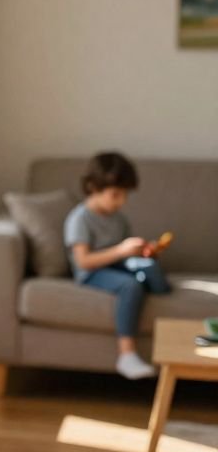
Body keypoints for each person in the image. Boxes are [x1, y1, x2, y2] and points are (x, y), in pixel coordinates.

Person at [64, 151, 172, 380]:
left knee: (150, 270)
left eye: (125, 195)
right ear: (93, 187)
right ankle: (127, 354)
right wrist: (121, 250)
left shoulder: (118, 219)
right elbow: (83, 261)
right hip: (92, 272)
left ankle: (150, 284)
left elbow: (125, 254)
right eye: (115, 195)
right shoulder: (80, 219)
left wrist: (144, 252)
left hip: (118, 265)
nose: (121, 201)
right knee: (130, 286)